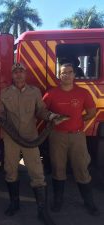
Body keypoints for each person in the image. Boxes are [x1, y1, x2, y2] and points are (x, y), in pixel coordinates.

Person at [0, 63, 56, 225]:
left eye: (21, 71)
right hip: (11, 138)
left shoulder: (34, 91)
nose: (18, 74)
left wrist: (50, 116)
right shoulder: (5, 92)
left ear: (25, 74)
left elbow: (41, 111)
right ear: (12, 75)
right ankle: (14, 204)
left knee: (37, 172)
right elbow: (1, 114)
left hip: (31, 137)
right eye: (15, 72)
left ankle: (42, 211)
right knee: (10, 170)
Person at [43, 63, 100, 216]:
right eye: (63, 73)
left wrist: (78, 120)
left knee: (81, 168)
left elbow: (91, 112)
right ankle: (57, 201)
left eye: (69, 72)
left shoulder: (83, 93)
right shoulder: (51, 94)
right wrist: (51, 117)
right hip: (56, 136)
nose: (66, 75)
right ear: (59, 76)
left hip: (77, 136)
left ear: (74, 75)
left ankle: (89, 203)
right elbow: (41, 112)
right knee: (58, 168)